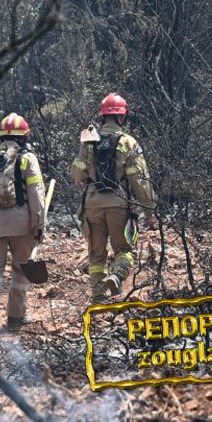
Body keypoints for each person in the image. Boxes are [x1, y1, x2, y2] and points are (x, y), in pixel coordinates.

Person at [70, 93, 155, 302]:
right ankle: (116, 276)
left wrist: (88, 185)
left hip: (92, 205)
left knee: (96, 254)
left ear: (102, 116)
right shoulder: (128, 142)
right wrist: (149, 211)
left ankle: (98, 297)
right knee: (124, 249)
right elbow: (140, 181)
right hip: (119, 203)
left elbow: (77, 173)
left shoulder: (88, 139)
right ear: (122, 116)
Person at [0, 113, 45, 333]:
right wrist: (38, 223)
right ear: (24, 136)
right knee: (21, 269)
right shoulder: (27, 159)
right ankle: (15, 317)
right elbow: (36, 194)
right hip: (22, 223)